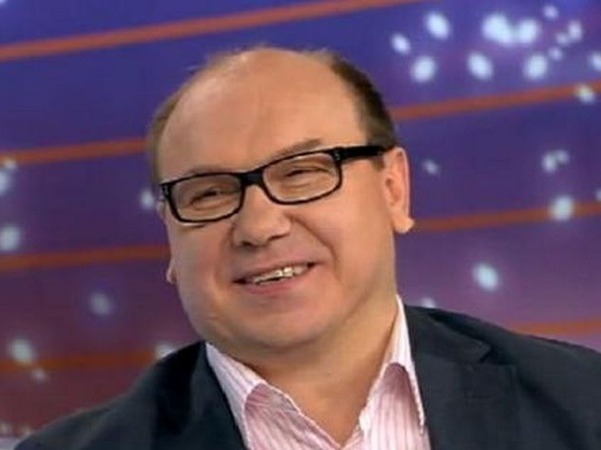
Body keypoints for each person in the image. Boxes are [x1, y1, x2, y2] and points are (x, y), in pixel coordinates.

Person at [17, 46, 601, 450]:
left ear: (394, 189)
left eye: (302, 173)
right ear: (171, 234)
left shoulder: (583, 403)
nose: (259, 226)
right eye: (210, 192)